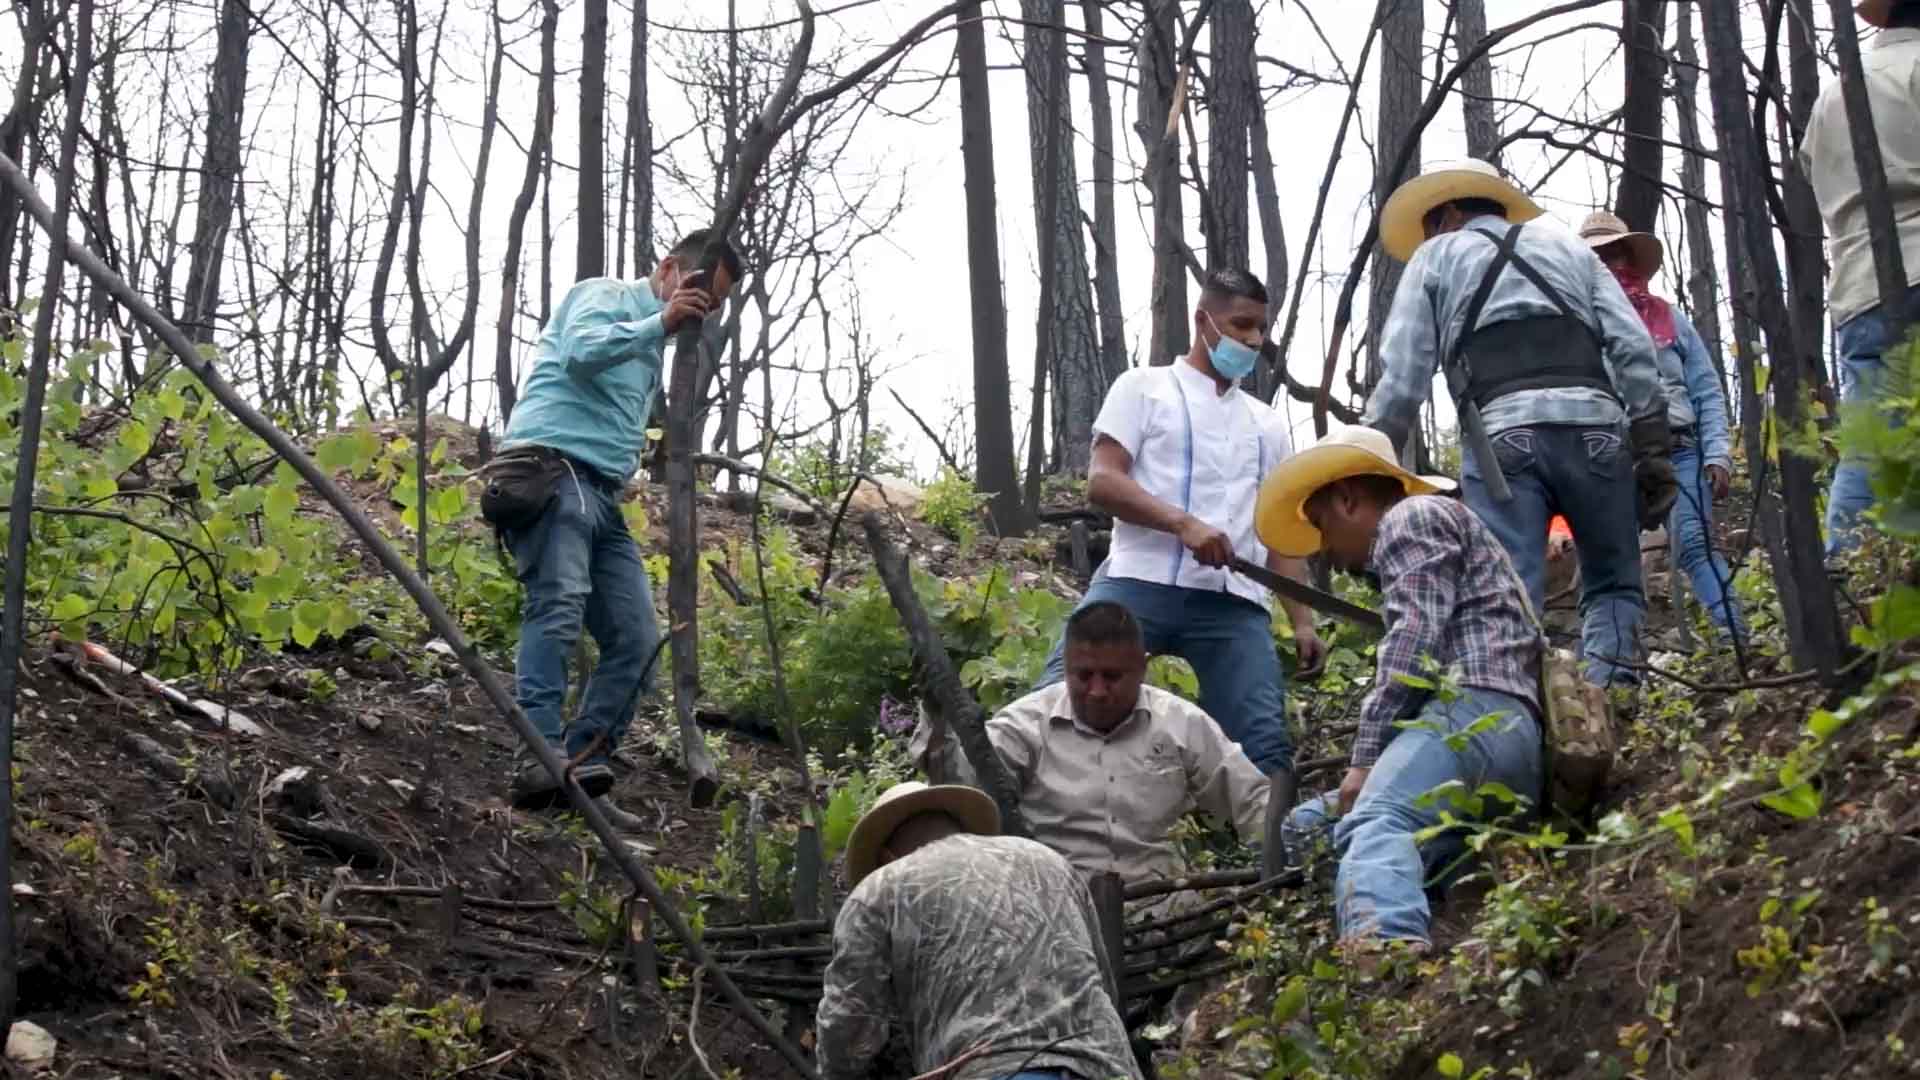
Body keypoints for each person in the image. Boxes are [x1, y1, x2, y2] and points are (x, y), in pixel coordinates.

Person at [1363, 158, 1674, 692]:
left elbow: (1404, 377)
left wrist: (1369, 460)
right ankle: (1611, 707)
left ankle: (1522, 722)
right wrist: (1651, 444)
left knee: (1509, 595)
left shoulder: (1436, 256)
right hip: (1596, 430)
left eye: (1431, 224)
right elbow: (1633, 347)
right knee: (1615, 584)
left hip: (1501, 443)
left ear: (1450, 213)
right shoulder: (1571, 249)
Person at [1257, 425, 1545, 952]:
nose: (1326, 551)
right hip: (1501, 742)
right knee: (1308, 829)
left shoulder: (1411, 518)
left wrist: (1365, 760)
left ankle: (1385, 961)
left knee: (1374, 820)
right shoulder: (1439, 521)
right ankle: (1416, 903)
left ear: (1347, 498)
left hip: (1477, 712)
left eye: (1321, 527)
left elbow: (1412, 645)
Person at [1036, 269, 1327, 778]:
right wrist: (1182, 524)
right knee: (1053, 705)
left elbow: (1277, 534)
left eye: (1260, 329)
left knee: (1263, 750)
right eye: (1241, 326)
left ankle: (1273, 848)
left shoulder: (1267, 424)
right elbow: (1102, 482)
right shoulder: (1142, 388)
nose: (1252, 341)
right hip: (1136, 583)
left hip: (1232, 603)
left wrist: (1302, 621)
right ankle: (1016, 816)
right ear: (1203, 320)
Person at [493, 230, 741, 815]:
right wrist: (659, 325)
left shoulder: (656, 349)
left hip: (600, 490)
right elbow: (580, 351)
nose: (706, 307)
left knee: (636, 639)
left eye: (719, 301)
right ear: (669, 270)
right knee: (558, 605)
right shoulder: (604, 295)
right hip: (550, 469)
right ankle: (538, 755)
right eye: (703, 289)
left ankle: (579, 768)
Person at [925, 602, 1271, 895]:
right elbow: (964, 791)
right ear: (1067, 668)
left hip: (1164, 909)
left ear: (1142, 669)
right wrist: (938, 724)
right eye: (1084, 675)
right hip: (1058, 916)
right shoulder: (1026, 725)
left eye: (1112, 676)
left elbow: (1251, 801)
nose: (1097, 691)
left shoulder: (1181, 724)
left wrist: (1281, 866)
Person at [815, 782, 1142, 1080]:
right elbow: (1103, 982)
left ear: (887, 856)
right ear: (960, 826)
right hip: (1107, 1066)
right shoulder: (1050, 860)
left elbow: (847, 1027)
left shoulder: (880, 889)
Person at [1579, 211, 1747, 644]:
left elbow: (1707, 390)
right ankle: (1613, 674)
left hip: (1681, 450)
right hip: (1614, 456)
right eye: (1596, 258)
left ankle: (1735, 641)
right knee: (1611, 564)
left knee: (1693, 543)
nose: (1609, 266)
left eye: (1614, 255)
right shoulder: (1576, 329)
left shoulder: (1669, 318)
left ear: (1628, 258)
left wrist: (1717, 453)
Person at [1798, 0, 1920, 558]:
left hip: (1859, 291)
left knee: (1871, 449)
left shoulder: (1830, 97)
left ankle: (1849, 578)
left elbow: (1813, 176)